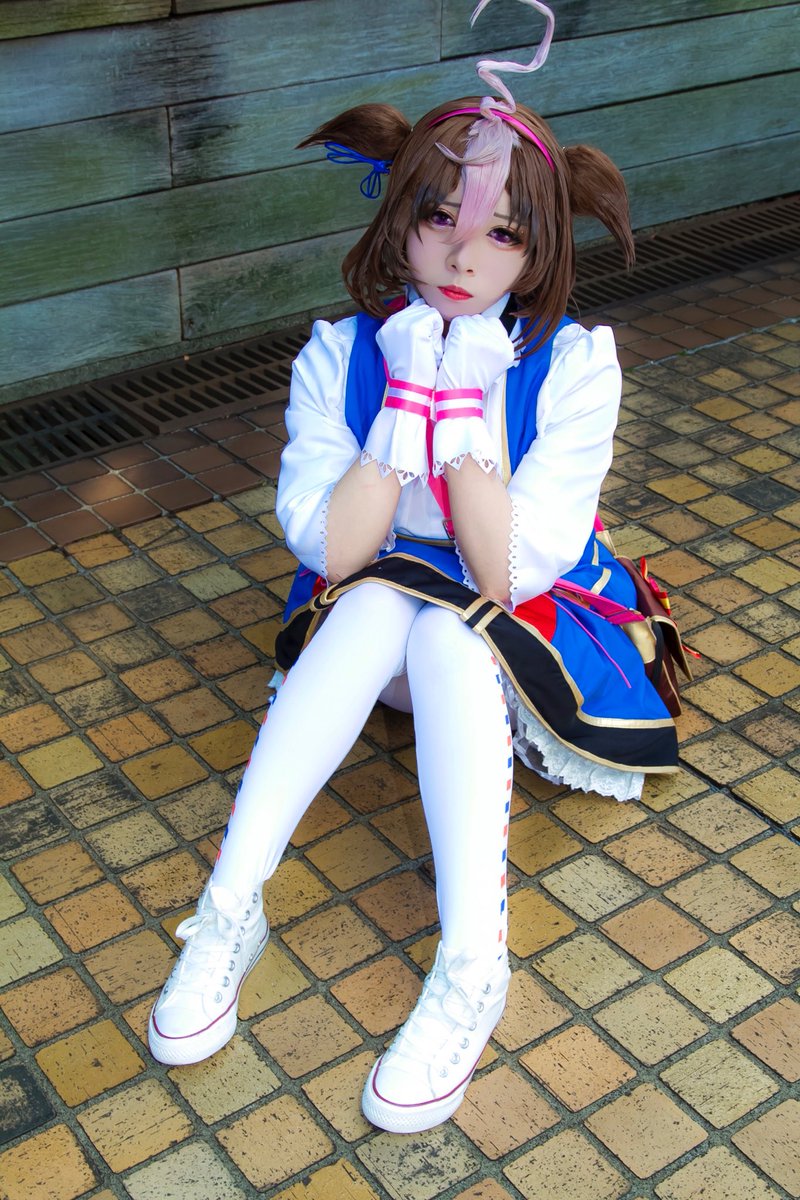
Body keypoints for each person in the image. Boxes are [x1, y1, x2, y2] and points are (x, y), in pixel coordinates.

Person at [147, 0, 680, 1134]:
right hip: (369, 627)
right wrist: (403, 401)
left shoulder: (573, 367)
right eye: (439, 218)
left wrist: (466, 402)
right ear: (398, 219)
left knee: (443, 619)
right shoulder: (342, 354)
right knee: (383, 598)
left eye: (501, 235)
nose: (461, 255)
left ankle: (473, 963)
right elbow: (334, 551)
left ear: (539, 250)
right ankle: (229, 911)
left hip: (518, 633)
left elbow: (503, 572)